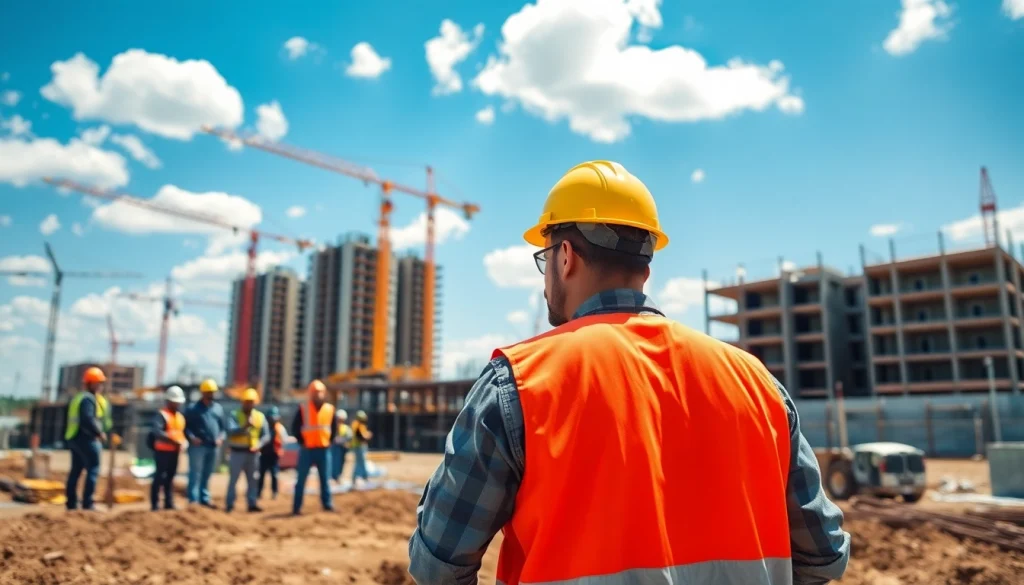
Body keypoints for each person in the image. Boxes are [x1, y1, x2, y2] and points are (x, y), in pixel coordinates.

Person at [408, 161, 851, 585]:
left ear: (565, 256)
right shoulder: (756, 383)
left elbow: (438, 564)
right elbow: (824, 554)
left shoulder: (519, 382)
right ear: (646, 266)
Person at [64, 366, 113, 511]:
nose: (101, 386)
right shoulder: (88, 399)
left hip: (74, 438)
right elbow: (87, 419)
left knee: (76, 470)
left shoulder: (80, 397)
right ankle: (88, 503)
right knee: (93, 469)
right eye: (99, 383)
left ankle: (71, 503)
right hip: (87, 439)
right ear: (91, 383)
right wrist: (99, 433)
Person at [291, 379, 335, 515]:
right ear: (310, 394)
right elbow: (295, 428)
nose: (318, 395)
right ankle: (296, 507)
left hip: (323, 449)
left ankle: (327, 504)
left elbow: (333, 428)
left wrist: (329, 441)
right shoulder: (303, 409)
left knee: (325, 479)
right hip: (307, 449)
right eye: (315, 393)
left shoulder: (329, 409)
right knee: (301, 479)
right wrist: (301, 441)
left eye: (320, 392)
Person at [224, 388, 269, 513]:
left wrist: (259, 445)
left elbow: (266, 435)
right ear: (242, 402)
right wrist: (244, 427)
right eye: (247, 401)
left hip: (253, 453)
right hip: (237, 452)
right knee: (233, 479)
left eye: (252, 402)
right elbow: (230, 431)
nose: (249, 404)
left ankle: (252, 503)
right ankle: (229, 504)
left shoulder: (260, 417)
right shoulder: (234, 414)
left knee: (253, 479)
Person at [184, 378, 225, 509]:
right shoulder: (193, 409)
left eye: (212, 392)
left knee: (207, 473)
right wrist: (192, 438)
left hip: (213, 447)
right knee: (195, 473)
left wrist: (220, 438)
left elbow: (223, 428)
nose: (211, 395)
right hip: (198, 447)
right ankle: (193, 500)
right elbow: (185, 427)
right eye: (208, 392)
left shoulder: (218, 409)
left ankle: (204, 498)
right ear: (202, 393)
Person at [149, 386, 187, 511]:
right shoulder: (162, 414)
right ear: (169, 401)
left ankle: (168, 503)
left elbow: (180, 433)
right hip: (162, 451)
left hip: (174, 451)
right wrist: (173, 440)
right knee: (159, 477)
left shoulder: (180, 417)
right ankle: (155, 504)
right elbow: (158, 431)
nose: (177, 404)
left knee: (170, 477)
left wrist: (182, 442)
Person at [257, 405, 288, 500]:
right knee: (261, 474)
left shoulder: (280, 428)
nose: (273, 420)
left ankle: (274, 492)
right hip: (263, 455)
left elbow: (284, 439)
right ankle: (258, 492)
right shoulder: (263, 427)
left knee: (274, 475)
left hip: (274, 455)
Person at [349, 410, 373, 485]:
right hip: (358, 446)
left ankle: (361, 476)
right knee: (361, 462)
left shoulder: (356, 424)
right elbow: (360, 436)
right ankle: (362, 476)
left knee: (359, 462)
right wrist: (367, 436)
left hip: (357, 446)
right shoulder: (358, 425)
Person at [331, 409, 353, 483]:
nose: (339, 420)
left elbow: (350, 436)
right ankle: (334, 477)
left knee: (341, 463)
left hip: (343, 448)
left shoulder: (345, 428)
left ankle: (338, 476)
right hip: (335, 448)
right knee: (335, 462)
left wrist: (343, 440)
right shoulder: (333, 427)